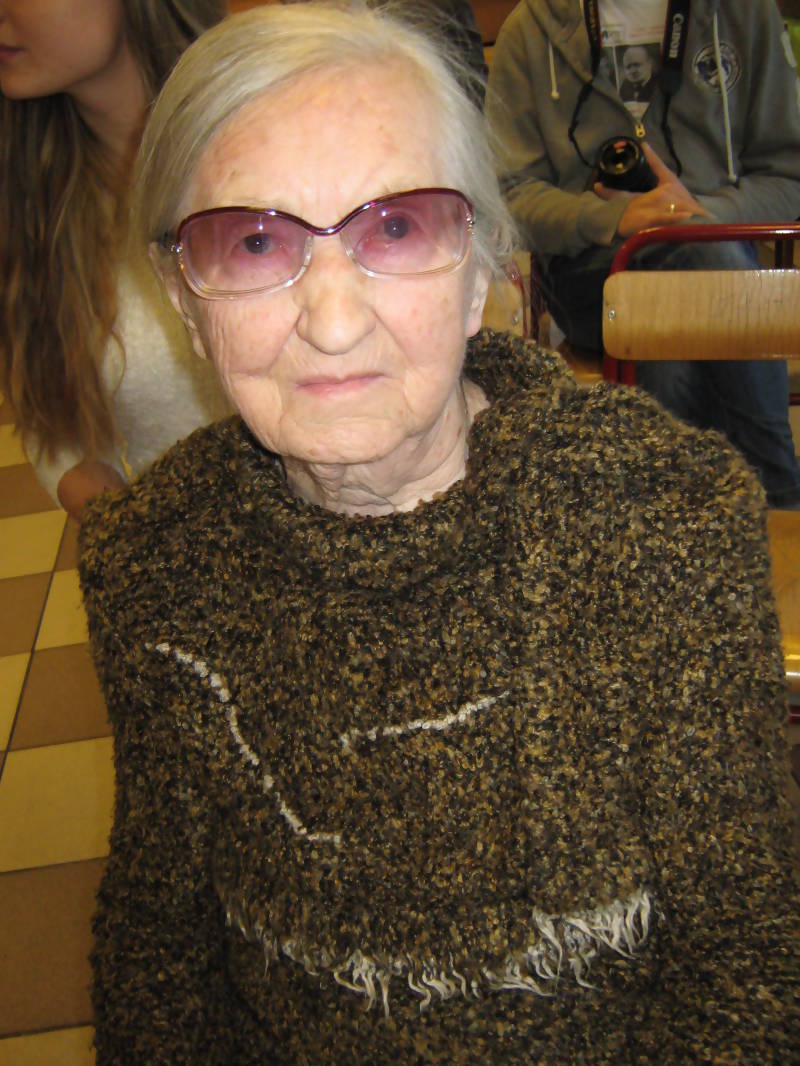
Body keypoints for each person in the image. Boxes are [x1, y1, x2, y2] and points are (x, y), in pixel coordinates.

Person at [79, 3, 799, 1062]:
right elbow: (160, 951)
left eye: (395, 229)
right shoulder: (151, 565)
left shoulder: (667, 521)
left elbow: (750, 965)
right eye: (256, 241)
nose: (332, 321)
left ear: (480, 273)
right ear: (185, 300)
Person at [487, 0, 800, 509]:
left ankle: (662, 513)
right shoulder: (530, 28)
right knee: (695, 275)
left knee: (671, 335)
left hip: (720, 259)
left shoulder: (745, 14)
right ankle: (779, 495)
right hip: (595, 275)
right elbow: (509, 195)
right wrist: (615, 219)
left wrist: (696, 216)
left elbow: (789, 178)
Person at [0, 0, 230, 521]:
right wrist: (118, 521)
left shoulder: (270, 123)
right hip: (182, 552)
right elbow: (54, 417)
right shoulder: (30, 202)